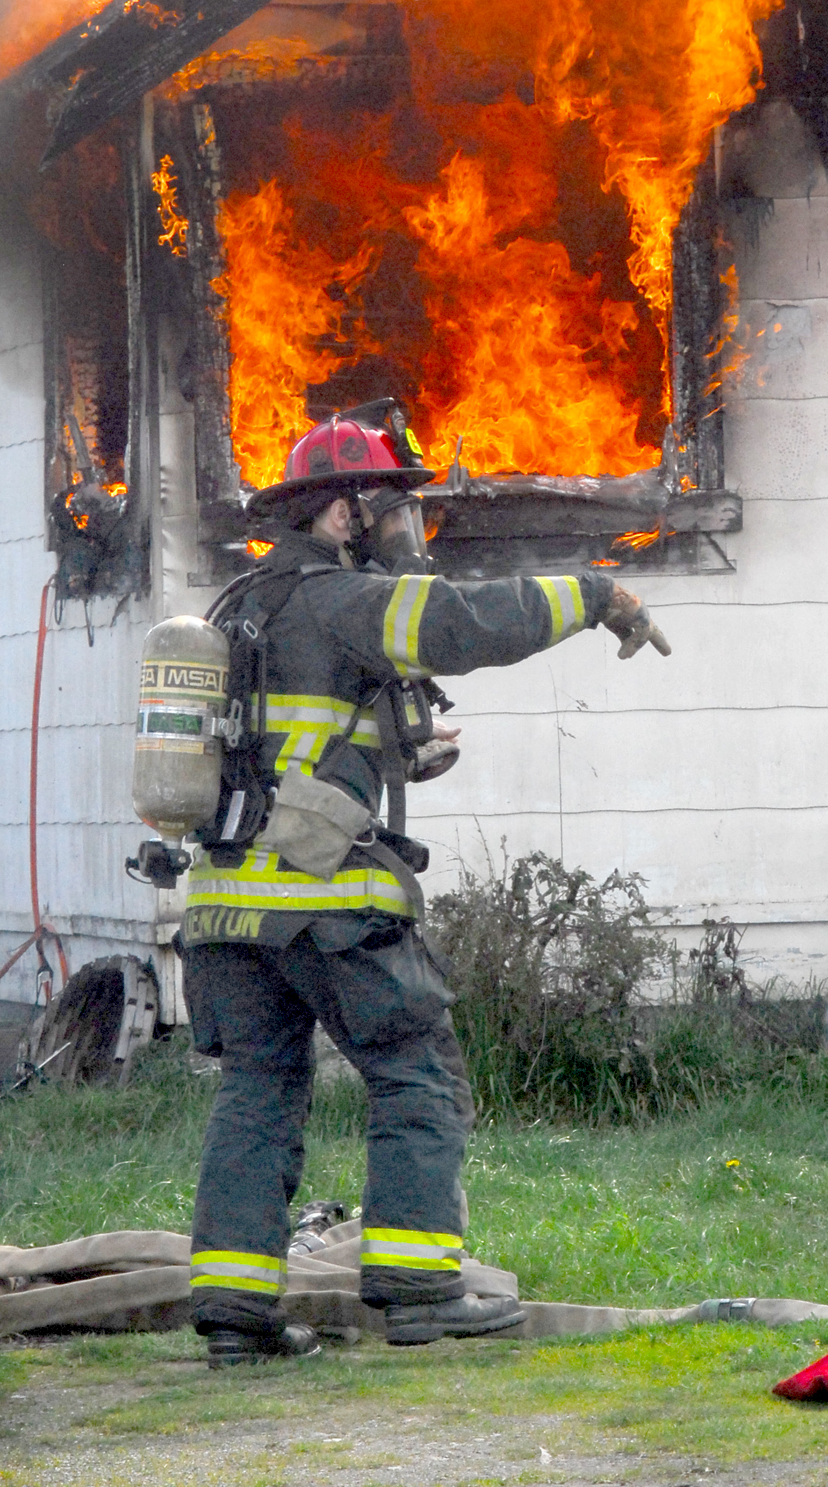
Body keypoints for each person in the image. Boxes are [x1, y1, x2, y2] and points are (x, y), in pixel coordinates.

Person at [180, 399, 670, 1366]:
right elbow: (461, 623)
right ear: (341, 513)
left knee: (258, 1091)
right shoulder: (341, 597)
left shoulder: (241, 607)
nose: (410, 530)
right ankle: (417, 1292)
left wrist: (391, 752)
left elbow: (286, 742)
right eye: (394, 508)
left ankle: (234, 1321)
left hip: (223, 907)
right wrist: (597, 593)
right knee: (415, 1072)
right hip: (323, 900)